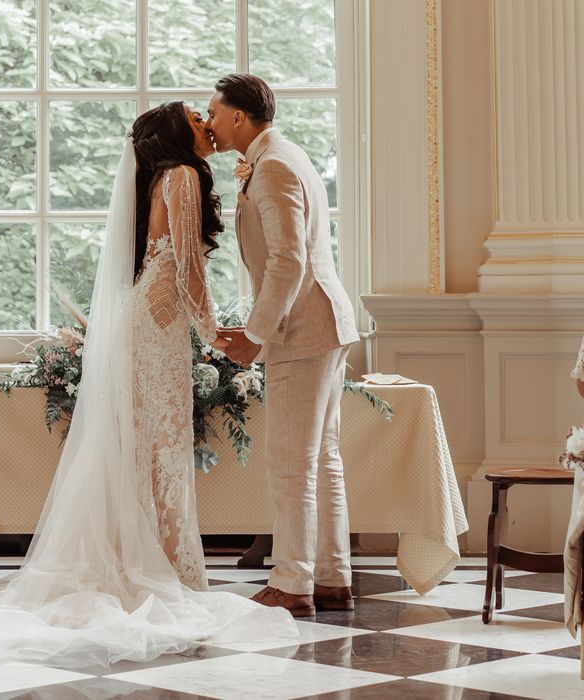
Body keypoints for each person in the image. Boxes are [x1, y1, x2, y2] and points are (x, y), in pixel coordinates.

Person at [0, 102, 296, 666]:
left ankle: (148, 563)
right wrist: (216, 333)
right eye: (196, 116)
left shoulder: (162, 176)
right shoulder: (186, 175)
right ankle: (166, 571)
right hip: (159, 332)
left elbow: (168, 264)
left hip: (147, 324)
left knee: (143, 449)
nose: (206, 122)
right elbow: (189, 266)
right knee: (160, 449)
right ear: (177, 131)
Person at [207, 74, 360, 616]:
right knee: (323, 458)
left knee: (291, 462)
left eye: (215, 113)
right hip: (324, 322)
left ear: (239, 118)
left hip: (303, 329)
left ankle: (293, 584)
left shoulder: (271, 165)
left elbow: (288, 260)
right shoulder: (285, 155)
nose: (209, 121)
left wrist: (253, 335)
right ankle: (332, 576)